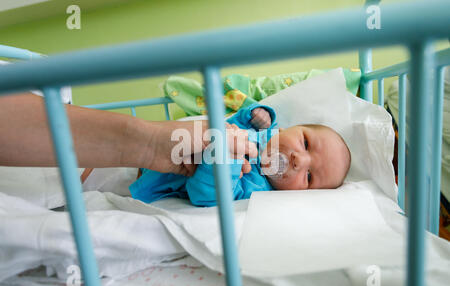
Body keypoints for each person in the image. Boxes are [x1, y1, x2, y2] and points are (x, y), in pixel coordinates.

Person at [129, 103, 352, 207]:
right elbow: (231, 122)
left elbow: (205, 195)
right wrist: (255, 115)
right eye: (305, 143)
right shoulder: (263, 132)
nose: (300, 160)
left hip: (159, 175)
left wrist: (230, 157)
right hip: (169, 142)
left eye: (309, 177)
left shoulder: (258, 190)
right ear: (284, 129)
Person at [0, 92, 257, 177]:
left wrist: (149, 142)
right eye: (300, 140)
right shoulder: (253, 131)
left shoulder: (255, 181)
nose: (297, 159)